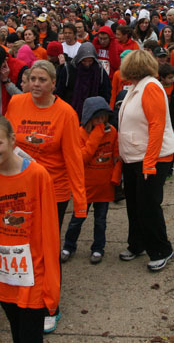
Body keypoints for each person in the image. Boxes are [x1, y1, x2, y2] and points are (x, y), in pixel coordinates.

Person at [4, 59, 86, 333]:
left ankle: (51, 306)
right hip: (19, 186)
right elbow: (4, 142)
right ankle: (23, 290)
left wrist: (80, 200)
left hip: (54, 190)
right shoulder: (16, 104)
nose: (36, 84)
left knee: (47, 248)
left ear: (53, 83)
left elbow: (74, 158)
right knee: (22, 242)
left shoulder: (66, 113)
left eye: (42, 80)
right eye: (32, 79)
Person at [0, 114, 61, 342]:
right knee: (16, 329)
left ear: (12, 140)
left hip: (34, 271)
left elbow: (49, 230)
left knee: (30, 335)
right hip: (4, 272)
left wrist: (50, 280)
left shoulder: (37, 175)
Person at [117, 50, 174, 272]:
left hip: (152, 158)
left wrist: (150, 162)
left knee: (148, 206)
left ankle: (162, 249)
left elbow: (157, 126)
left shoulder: (150, 87)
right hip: (134, 157)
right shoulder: (135, 87)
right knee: (134, 204)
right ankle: (137, 243)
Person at [60, 97, 121, 265]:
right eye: (97, 118)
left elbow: (117, 157)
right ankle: (69, 246)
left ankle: (98, 248)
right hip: (85, 186)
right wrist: (96, 135)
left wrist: (115, 179)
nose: (101, 121)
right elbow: (82, 158)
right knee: (77, 219)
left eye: (103, 117)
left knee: (100, 221)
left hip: (104, 186)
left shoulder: (113, 132)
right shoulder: (79, 134)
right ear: (88, 117)